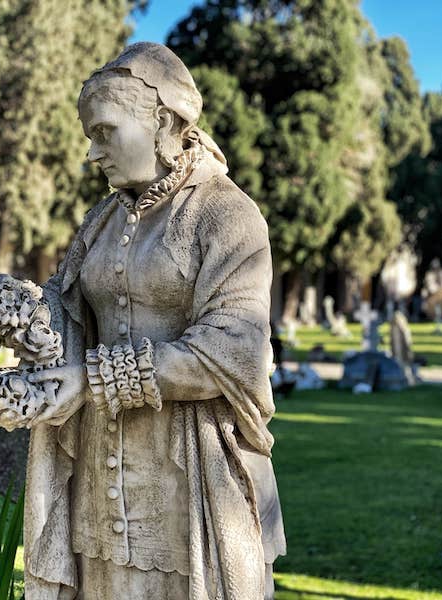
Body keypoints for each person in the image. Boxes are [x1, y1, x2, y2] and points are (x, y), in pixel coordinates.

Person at [22, 42, 286, 600]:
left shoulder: (226, 215)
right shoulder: (101, 219)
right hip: (98, 470)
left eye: (104, 132)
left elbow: (228, 351)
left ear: (163, 122)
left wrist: (94, 381)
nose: (93, 153)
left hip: (189, 475)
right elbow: (66, 306)